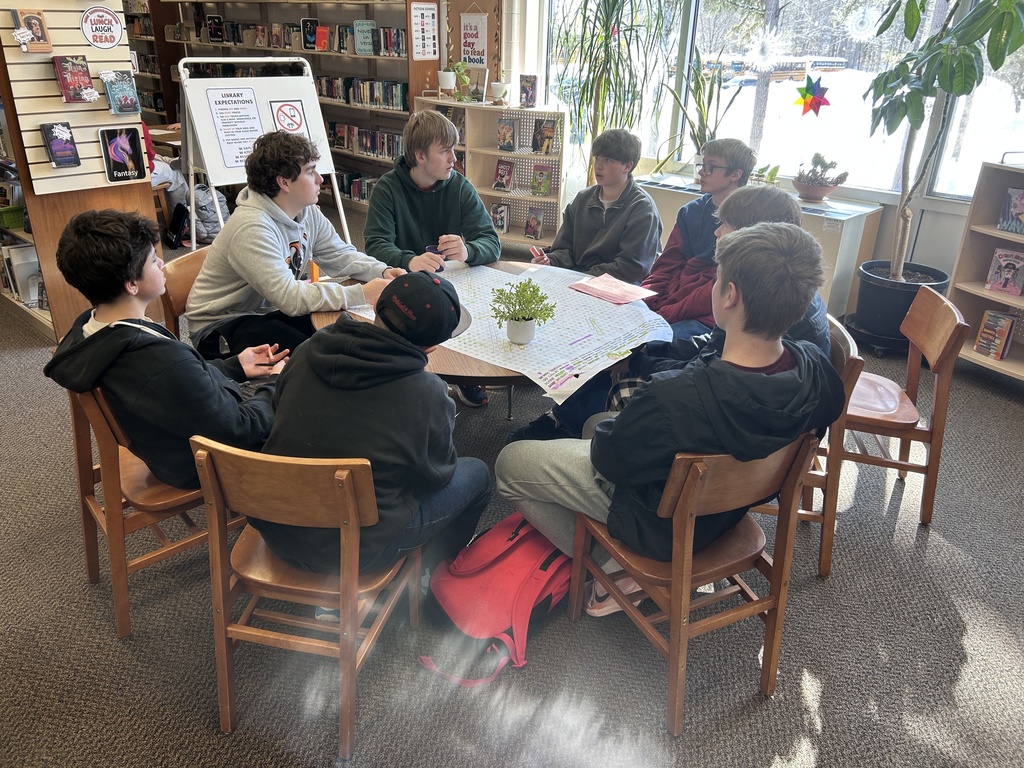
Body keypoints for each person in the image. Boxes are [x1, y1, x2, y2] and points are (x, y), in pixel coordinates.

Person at [496, 222, 845, 615]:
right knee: (597, 423)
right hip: (728, 511)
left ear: (729, 295)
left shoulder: (675, 398)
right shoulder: (817, 368)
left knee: (511, 462)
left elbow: (609, 460)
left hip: (660, 526)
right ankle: (613, 560)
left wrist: (621, 423)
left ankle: (613, 565)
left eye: (716, 280)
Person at [508, 184, 830, 442]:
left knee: (519, 461)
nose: (717, 233)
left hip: (702, 423)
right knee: (628, 352)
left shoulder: (753, 305)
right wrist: (642, 353)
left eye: (725, 226)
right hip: (739, 415)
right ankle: (569, 417)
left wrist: (641, 357)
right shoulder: (784, 298)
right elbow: (709, 352)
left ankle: (568, 425)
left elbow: (699, 375)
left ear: (753, 235)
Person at [254, 272, 492, 576]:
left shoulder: (309, 349)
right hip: (356, 552)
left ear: (377, 305)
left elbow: (278, 411)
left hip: (276, 528)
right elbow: (437, 476)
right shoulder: (428, 395)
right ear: (433, 347)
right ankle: (436, 577)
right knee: (478, 475)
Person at [44, 210, 287, 490]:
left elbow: (178, 385)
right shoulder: (157, 361)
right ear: (131, 285)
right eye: (152, 260)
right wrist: (277, 383)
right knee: (322, 400)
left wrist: (234, 366)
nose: (162, 262)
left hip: (167, 444)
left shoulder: (92, 328)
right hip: (204, 464)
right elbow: (241, 431)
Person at [186, 130, 404, 358]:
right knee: (317, 356)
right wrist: (360, 293)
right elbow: (289, 298)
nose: (321, 179)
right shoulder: (251, 227)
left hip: (267, 311)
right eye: (310, 172)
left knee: (342, 336)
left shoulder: (306, 211)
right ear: (284, 183)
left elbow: (340, 254)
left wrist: (382, 271)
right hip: (221, 326)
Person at [363, 108, 500, 407]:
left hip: (453, 283)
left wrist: (468, 250)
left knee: (475, 313)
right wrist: (408, 260)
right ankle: (425, 379)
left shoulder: (460, 187)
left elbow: (492, 243)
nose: (454, 158)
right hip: (407, 286)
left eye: (455, 149)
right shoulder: (388, 188)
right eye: (446, 151)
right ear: (420, 156)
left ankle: (463, 375)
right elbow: (374, 246)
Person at [642, 137, 756, 339]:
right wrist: (643, 299)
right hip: (672, 300)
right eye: (702, 164)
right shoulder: (690, 211)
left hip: (709, 314)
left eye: (711, 167)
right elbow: (666, 265)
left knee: (653, 343)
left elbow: (720, 288)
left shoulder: (750, 219)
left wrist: (665, 314)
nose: (702, 171)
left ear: (736, 174)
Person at [529, 128, 662, 284]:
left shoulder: (642, 209)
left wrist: (583, 278)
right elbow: (564, 249)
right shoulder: (582, 199)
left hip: (616, 287)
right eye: (597, 157)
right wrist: (550, 260)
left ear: (627, 166)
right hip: (576, 280)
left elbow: (632, 267)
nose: (598, 165)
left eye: (608, 160)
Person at [140, 122, 188, 213]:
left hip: (113, 174)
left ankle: (169, 161)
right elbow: (148, 155)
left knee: (156, 157)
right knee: (176, 174)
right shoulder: (138, 123)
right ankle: (181, 221)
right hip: (142, 171)